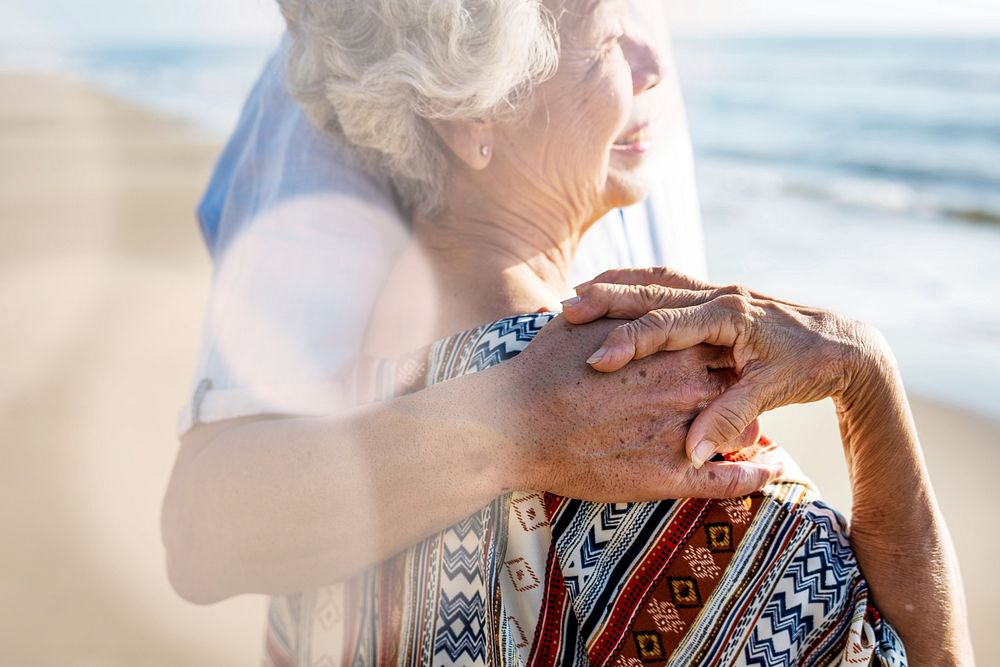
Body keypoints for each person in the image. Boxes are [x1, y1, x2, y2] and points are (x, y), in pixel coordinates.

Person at [161, 0, 973, 665]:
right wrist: (865, 377)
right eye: (614, 41)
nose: (657, 68)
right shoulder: (642, 432)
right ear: (470, 115)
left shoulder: (338, 421)